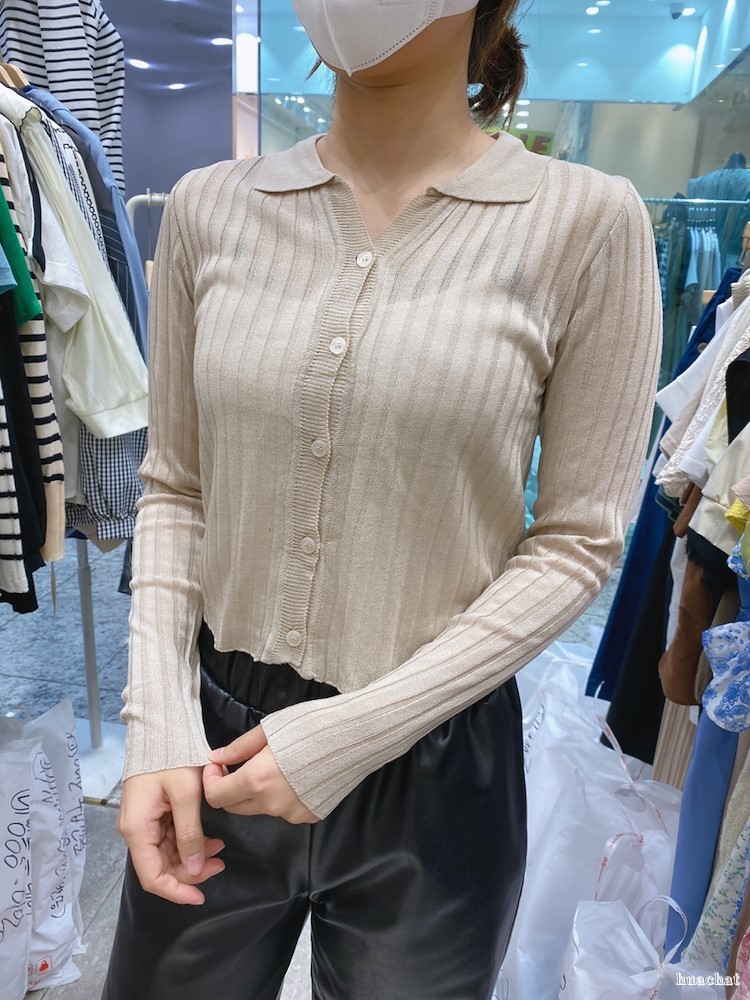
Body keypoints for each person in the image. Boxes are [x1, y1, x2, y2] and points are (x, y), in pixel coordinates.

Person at [101, 1, 662, 998]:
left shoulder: (586, 222)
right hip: (214, 738)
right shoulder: (209, 206)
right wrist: (155, 725)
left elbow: (578, 540)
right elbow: (177, 487)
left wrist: (355, 732)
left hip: (436, 758)